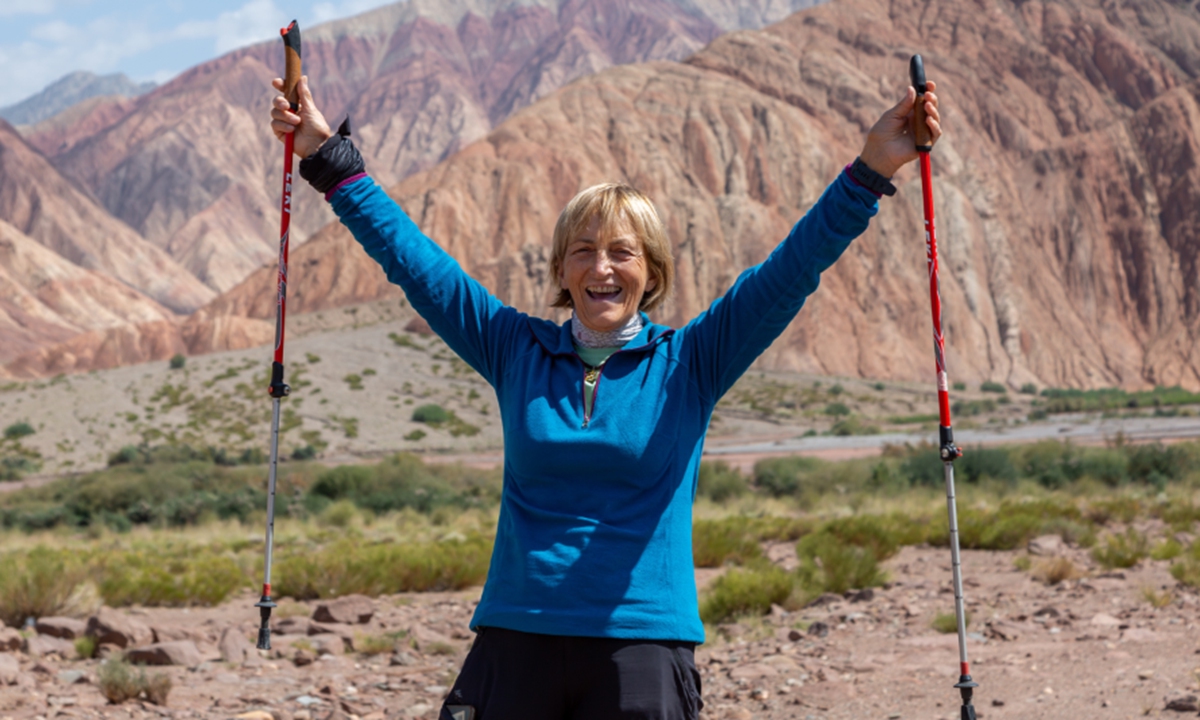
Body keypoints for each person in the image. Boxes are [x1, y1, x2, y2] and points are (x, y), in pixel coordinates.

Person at [270, 73, 940, 720]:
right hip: (518, 635)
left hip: (641, 646)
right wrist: (329, 158)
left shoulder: (693, 361)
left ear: (649, 270)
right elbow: (415, 265)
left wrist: (872, 169)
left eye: (622, 251)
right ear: (562, 268)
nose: (601, 267)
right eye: (583, 250)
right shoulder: (515, 349)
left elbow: (791, 270)